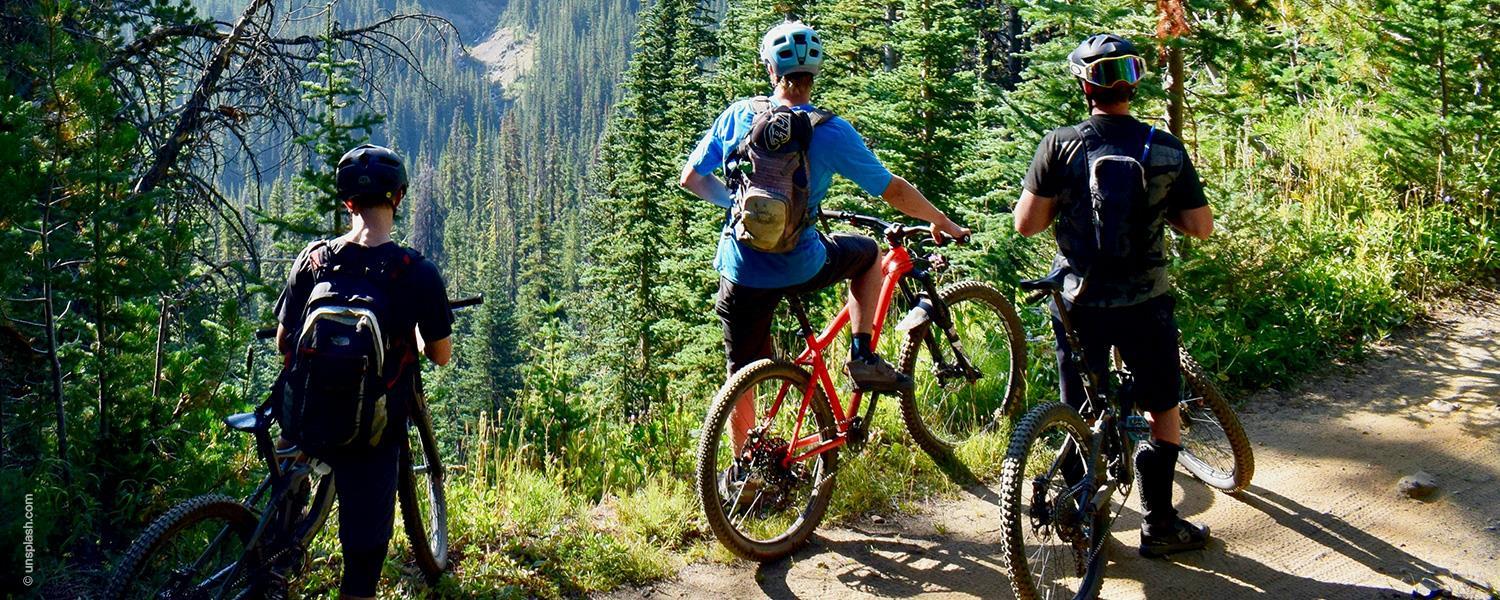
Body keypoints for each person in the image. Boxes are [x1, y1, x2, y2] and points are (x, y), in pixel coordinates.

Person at [679, 20, 969, 464]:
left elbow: (691, 179)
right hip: (802, 262)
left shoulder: (739, 115)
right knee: (868, 254)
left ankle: (745, 470)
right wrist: (941, 220)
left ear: (771, 70)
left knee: (740, 372)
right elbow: (893, 191)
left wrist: (736, 207)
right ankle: (862, 355)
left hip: (741, 266)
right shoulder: (830, 131)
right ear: (814, 73)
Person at [1012, 33, 1215, 557]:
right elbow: (1200, 226)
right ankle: (1160, 524)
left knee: (1076, 405)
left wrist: (1066, 204)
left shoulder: (1059, 144)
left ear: (1085, 85)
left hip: (1079, 301)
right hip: (1145, 302)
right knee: (1162, 408)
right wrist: (1159, 208)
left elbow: (1027, 224)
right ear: (1134, 82)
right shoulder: (1165, 147)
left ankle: (1083, 515)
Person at [273, 144, 454, 599]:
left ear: (346, 201)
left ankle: (271, 557)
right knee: (364, 554)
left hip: (305, 419)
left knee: (277, 523)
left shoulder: (313, 260)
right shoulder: (415, 272)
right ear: (398, 198)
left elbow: (283, 343)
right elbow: (440, 354)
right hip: (370, 433)